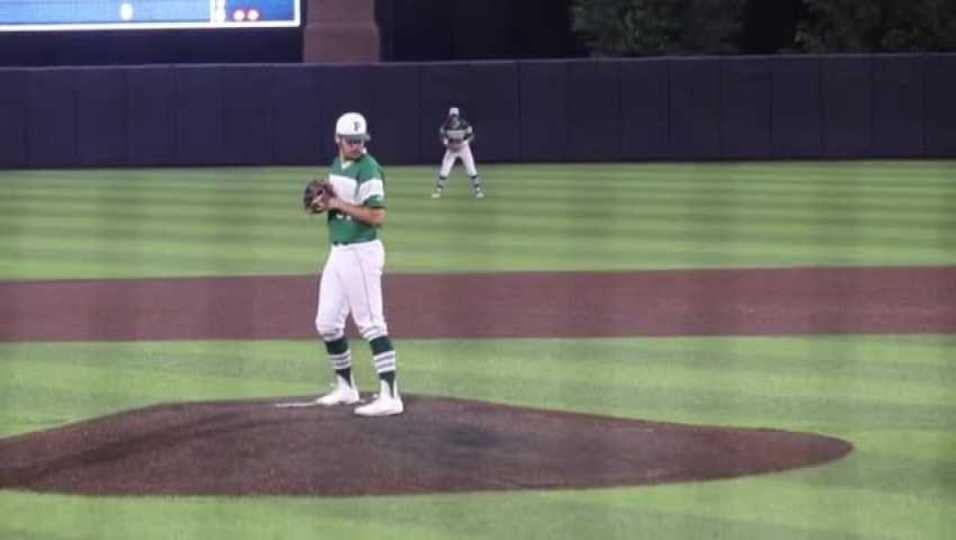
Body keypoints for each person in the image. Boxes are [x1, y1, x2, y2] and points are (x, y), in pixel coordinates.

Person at [309, 111, 403, 417]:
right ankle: (346, 389)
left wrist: (336, 204)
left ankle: (390, 395)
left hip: (362, 252)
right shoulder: (337, 165)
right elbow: (338, 203)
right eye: (351, 141)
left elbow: (377, 217)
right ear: (338, 140)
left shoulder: (369, 169)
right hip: (338, 253)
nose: (357, 146)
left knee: (372, 323)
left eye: (361, 141)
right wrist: (324, 203)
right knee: (327, 323)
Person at [431, 106, 485, 199]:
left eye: (455, 116)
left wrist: (464, 143)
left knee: (471, 169)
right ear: (449, 116)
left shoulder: (464, 125)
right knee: (444, 170)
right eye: (452, 116)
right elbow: (442, 138)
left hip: (464, 148)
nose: (454, 118)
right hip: (451, 149)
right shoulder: (445, 126)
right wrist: (449, 145)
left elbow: (471, 136)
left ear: (458, 116)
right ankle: (437, 192)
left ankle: (478, 191)